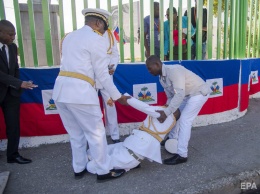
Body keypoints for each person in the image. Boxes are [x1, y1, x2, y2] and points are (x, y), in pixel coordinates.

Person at [52, 8, 130, 182]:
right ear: (98, 23)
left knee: (76, 134)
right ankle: (103, 170)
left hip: (61, 91)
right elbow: (103, 74)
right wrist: (117, 96)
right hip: (81, 94)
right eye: (104, 27)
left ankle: (79, 168)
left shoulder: (69, 37)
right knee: (96, 133)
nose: (104, 32)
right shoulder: (96, 39)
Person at [87, 95, 181, 172]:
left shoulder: (164, 114)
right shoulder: (171, 121)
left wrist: (128, 98)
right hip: (131, 148)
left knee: (91, 166)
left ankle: (91, 160)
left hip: (131, 154)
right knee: (107, 150)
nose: (166, 104)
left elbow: (145, 107)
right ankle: (91, 156)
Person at [145, 55, 210, 165]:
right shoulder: (161, 78)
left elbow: (179, 93)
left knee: (185, 120)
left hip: (198, 93)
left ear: (157, 64)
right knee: (175, 115)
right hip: (186, 95)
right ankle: (172, 139)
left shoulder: (173, 71)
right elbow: (171, 96)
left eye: (149, 68)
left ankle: (182, 154)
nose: (149, 71)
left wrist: (166, 112)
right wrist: (167, 108)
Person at [0, 20, 37, 164]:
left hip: (11, 94)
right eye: (10, 34)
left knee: (13, 126)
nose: (13, 37)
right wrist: (19, 83)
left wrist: (18, 86)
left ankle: (13, 155)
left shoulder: (13, 47)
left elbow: (15, 69)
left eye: (14, 34)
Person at [96, 29, 121, 144]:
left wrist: (112, 67)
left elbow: (115, 54)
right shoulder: (88, 35)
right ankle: (95, 137)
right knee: (92, 107)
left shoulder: (110, 34)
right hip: (91, 77)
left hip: (106, 76)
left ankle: (115, 135)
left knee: (110, 106)